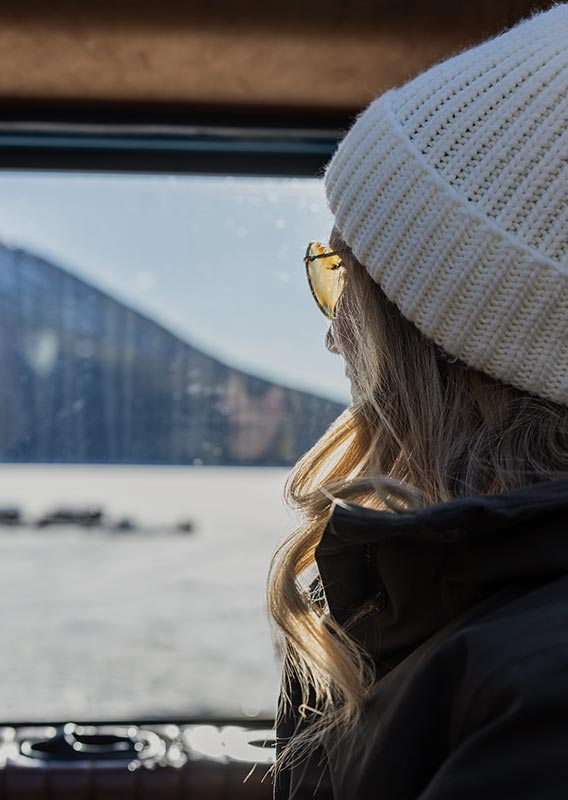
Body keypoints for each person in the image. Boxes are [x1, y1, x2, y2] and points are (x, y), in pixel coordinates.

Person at [267, 4, 568, 798]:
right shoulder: (453, 604)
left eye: (342, 283)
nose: (335, 342)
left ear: (455, 341)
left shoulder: (536, 700)